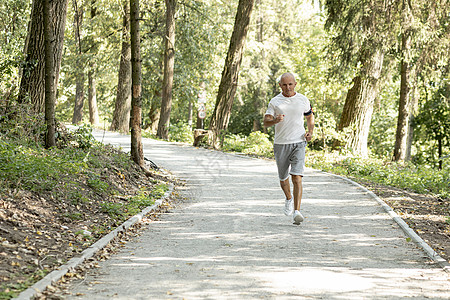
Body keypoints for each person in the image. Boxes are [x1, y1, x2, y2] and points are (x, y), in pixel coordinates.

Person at [264, 72, 315, 225]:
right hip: (281, 144)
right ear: (280, 85)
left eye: (290, 84)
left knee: (297, 177)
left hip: (299, 142)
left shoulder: (303, 100)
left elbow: (309, 116)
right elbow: (266, 122)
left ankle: (297, 211)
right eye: (284, 85)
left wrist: (310, 131)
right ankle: (288, 198)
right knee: (283, 178)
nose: (288, 87)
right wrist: (275, 120)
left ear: (295, 84)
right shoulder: (275, 101)